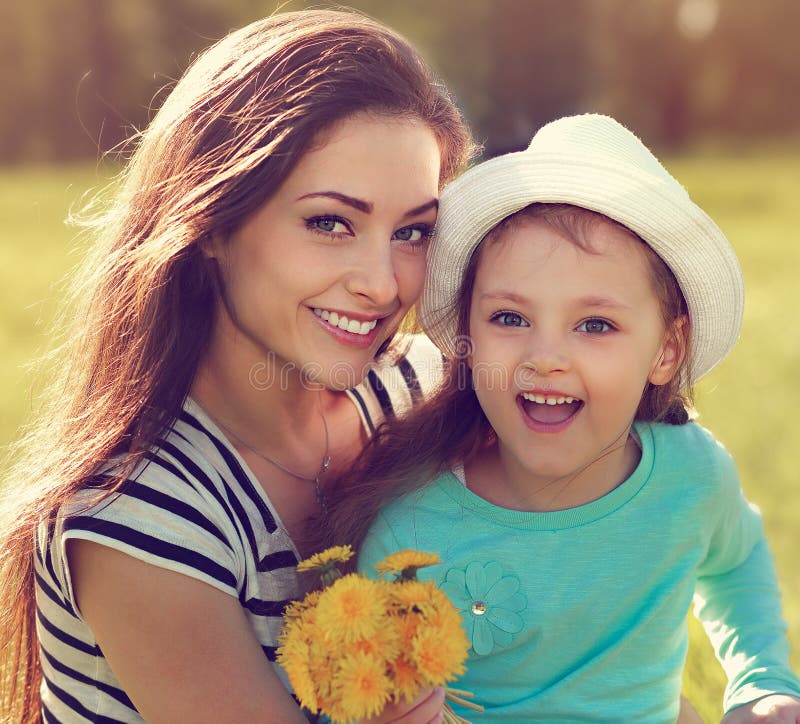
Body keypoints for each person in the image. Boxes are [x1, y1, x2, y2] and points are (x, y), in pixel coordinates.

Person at [0, 10, 477, 723]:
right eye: (329, 222)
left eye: (412, 232)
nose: (383, 284)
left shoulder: (418, 387)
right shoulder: (139, 518)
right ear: (215, 222)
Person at [328, 114, 800, 722]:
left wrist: (764, 684)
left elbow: (734, 564)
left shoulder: (691, 477)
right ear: (466, 337)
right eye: (510, 318)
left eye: (595, 325)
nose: (546, 358)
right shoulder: (411, 535)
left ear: (666, 350)